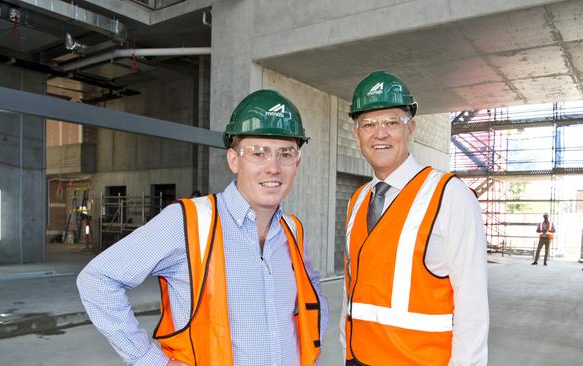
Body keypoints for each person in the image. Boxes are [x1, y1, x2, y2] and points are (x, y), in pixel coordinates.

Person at [77, 89, 329, 366]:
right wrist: (150, 360)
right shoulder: (187, 222)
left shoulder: (292, 230)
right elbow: (97, 279)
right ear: (234, 160)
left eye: (285, 154)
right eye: (259, 153)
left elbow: (311, 287)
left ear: (298, 163)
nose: (273, 167)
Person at [340, 71, 489, 365]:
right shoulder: (357, 201)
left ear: (411, 129)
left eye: (391, 122)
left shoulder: (450, 195)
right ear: (357, 134)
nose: (379, 133)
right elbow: (352, 290)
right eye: (368, 124)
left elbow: (472, 305)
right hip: (357, 357)